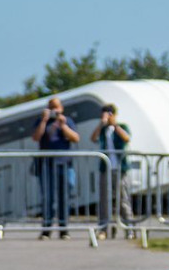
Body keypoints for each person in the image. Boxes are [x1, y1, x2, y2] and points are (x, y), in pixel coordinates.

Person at [31, 97, 80, 239]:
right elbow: (36, 137)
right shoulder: (41, 121)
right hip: (47, 165)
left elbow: (76, 138)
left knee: (64, 197)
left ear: (61, 108)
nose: (54, 110)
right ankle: (46, 229)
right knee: (48, 198)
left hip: (65, 164)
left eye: (56, 107)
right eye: (51, 107)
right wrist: (44, 120)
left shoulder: (67, 121)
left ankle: (64, 229)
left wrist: (63, 125)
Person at [90, 102, 135, 235]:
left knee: (123, 199)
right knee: (104, 200)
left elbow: (126, 138)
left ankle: (129, 228)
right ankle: (103, 229)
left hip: (120, 168)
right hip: (105, 168)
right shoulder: (103, 130)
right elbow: (93, 138)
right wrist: (101, 124)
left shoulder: (122, 127)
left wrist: (115, 125)